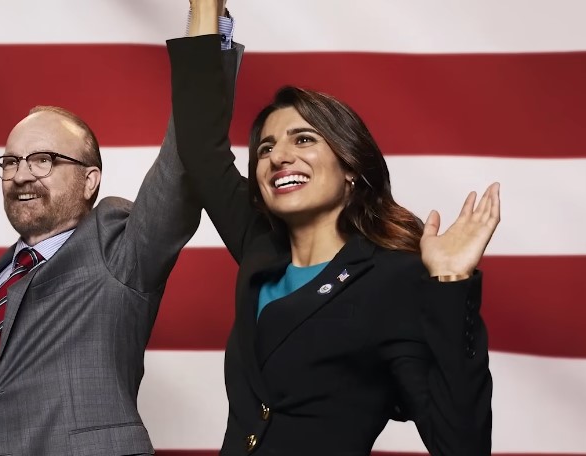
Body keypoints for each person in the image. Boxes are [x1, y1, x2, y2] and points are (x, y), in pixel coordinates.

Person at [166, 11, 498, 455]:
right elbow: (200, 148)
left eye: (303, 139)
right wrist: (206, 11)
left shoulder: (393, 279)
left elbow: (461, 445)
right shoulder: (261, 246)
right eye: (266, 147)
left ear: (350, 168)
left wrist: (452, 283)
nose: (278, 156)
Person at [0, 4, 241, 455]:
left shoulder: (116, 251)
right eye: (11, 162)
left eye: (43, 160)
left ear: (90, 180)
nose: (21, 174)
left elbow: (184, 158)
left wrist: (209, 22)